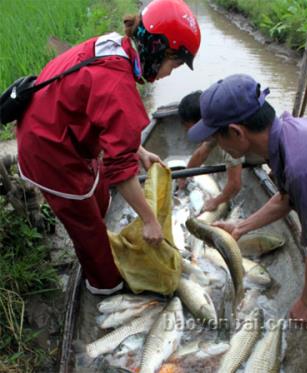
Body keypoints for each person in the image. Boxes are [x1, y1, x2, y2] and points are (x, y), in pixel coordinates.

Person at [187, 74, 307, 372]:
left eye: (216, 136)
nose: (214, 143)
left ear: (236, 132)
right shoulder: (286, 136)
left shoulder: (303, 165)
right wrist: (240, 227)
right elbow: (287, 199)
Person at [16, 0, 201, 295]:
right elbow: (121, 171)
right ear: (157, 49)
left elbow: (102, 114)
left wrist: (138, 151)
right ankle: (105, 286)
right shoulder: (116, 82)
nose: (169, 73)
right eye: (174, 64)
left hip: (63, 128)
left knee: (100, 197)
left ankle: (99, 228)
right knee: (88, 231)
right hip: (49, 150)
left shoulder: (117, 46)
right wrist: (150, 220)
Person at [177, 90, 243, 211]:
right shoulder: (214, 127)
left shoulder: (228, 138)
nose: (189, 133)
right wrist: (184, 176)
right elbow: (202, 153)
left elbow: (235, 185)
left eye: (190, 129)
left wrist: (216, 201)